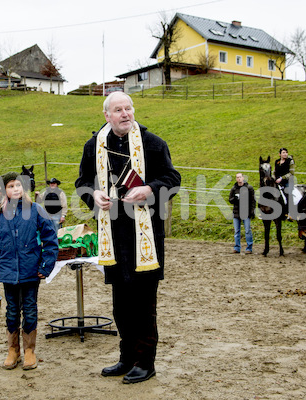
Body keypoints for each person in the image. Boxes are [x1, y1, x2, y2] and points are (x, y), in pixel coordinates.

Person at [75, 92, 181, 384]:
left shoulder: (153, 144)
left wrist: (149, 189)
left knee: (143, 303)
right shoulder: (93, 146)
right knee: (120, 303)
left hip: (145, 235)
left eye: (128, 108)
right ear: (106, 115)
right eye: (118, 109)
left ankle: (146, 362)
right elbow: (82, 182)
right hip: (113, 235)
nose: (125, 113)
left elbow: (173, 179)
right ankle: (126, 357)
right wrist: (93, 194)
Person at [0, 172, 58, 371]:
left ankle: (29, 350)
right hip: (8, 272)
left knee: (30, 309)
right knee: (12, 311)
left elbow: (51, 239)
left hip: (30, 272)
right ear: (4, 190)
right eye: (10, 186)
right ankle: (13, 350)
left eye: (18, 185)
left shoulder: (36, 210)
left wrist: (46, 265)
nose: (15, 189)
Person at [228, 173, 256, 254]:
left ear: (243, 178)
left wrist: (252, 211)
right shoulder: (234, 188)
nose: (239, 179)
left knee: (247, 230)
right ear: (236, 179)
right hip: (236, 213)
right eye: (237, 177)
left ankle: (249, 248)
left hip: (246, 212)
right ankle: (237, 247)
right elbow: (230, 200)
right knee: (237, 231)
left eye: (240, 177)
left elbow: (253, 201)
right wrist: (235, 199)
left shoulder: (249, 188)